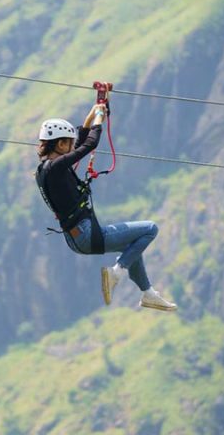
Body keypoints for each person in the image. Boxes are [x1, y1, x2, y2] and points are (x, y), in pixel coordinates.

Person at [35, 102, 177, 311]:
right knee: (150, 229)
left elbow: (80, 144)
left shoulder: (45, 170)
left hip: (75, 238)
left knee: (133, 245)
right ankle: (116, 273)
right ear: (59, 144)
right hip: (86, 235)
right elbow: (89, 145)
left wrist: (91, 115)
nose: (70, 147)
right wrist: (99, 119)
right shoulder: (57, 167)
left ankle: (148, 294)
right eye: (67, 143)